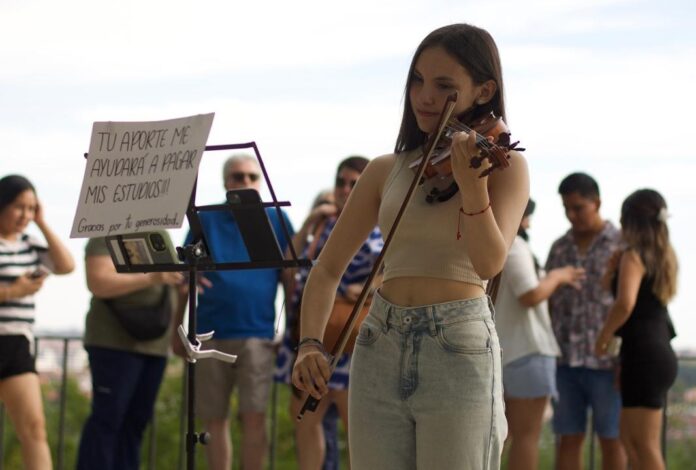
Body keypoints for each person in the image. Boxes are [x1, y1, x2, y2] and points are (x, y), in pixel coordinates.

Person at [292, 24, 529, 469]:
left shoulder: (504, 165)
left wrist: (473, 189)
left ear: (483, 91)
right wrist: (309, 343)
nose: (423, 96)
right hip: (379, 338)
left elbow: (489, 262)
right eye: (417, 80)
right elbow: (325, 270)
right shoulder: (386, 169)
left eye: (444, 86)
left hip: (458, 343)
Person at [172, 154, 294, 470]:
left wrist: (294, 328)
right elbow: (187, 277)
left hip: (257, 332)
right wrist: (177, 328)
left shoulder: (275, 218)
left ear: (261, 182)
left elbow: (291, 277)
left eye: (252, 178)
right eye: (238, 177)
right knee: (213, 422)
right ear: (226, 182)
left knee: (254, 418)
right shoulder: (206, 219)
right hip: (209, 333)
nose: (245, 183)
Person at [276, 156, 383, 470]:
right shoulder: (324, 223)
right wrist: (311, 220)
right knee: (306, 423)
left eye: (354, 184)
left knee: (358, 433)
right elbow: (289, 266)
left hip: (352, 340)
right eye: (341, 182)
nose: (345, 189)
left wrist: (369, 285)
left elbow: (394, 269)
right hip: (313, 336)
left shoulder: (378, 225)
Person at [76, 232, 182, 470]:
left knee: (135, 424)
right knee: (108, 421)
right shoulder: (107, 232)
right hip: (113, 342)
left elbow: (170, 283)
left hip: (155, 345)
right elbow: (98, 282)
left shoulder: (159, 233)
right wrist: (153, 277)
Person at [495, 198, 584, 470]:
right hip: (528, 350)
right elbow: (530, 295)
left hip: (503, 351)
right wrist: (557, 276)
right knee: (526, 437)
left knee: (501, 437)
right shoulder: (516, 246)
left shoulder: (487, 245)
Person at [545, 172, 626, 470]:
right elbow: (549, 303)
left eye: (578, 207)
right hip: (565, 361)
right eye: (566, 208)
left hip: (608, 363)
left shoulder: (621, 245)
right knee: (568, 439)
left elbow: (630, 305)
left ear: (597, 203)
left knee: (612, 439)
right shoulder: (559, 247)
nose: (571, 215)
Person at [594, 189, 678, 470]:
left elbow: (624, 304)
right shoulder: (663, 255)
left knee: (642, 445)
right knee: (630, 441)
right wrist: (610, 272)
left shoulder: (633, 255)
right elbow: (622, 295)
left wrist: (603, 337)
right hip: (654, 352)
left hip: (643, 355)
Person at [0, 174, 74, 470]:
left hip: (17, 344)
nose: (25, 215)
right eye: (19, 207)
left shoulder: (30, 243)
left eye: (32, 209)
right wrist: (12, 292)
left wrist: (42, 223)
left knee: (34, 430)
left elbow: (66, 266)